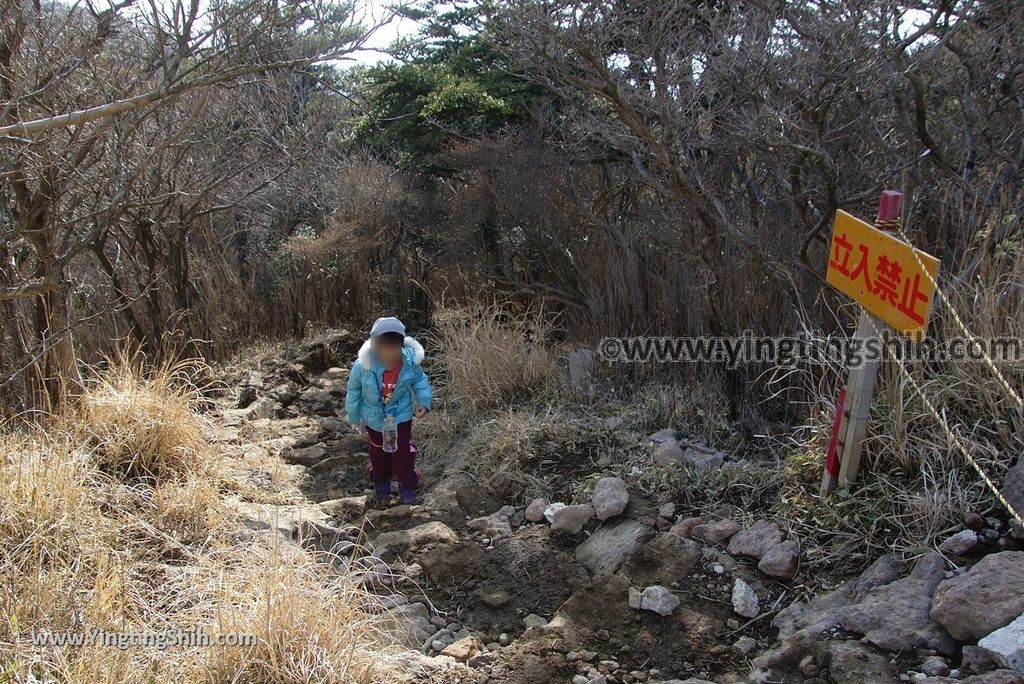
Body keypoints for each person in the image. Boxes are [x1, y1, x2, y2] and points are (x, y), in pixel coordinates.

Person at [345, 316, 431, 504]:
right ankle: (381, 480)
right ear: (375, 346)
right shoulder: (363, 367)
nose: (389, 354)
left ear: (401, 346)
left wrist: (424, 402)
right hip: (374, 419)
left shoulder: (409, 363)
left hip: (400, 417)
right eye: (384, 348)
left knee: (403, 453)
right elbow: (353, 391)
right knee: (379, 453)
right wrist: (354, 417)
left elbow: (420, 381)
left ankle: (407, 483)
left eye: (394, 348)